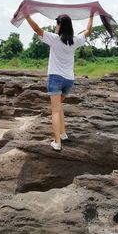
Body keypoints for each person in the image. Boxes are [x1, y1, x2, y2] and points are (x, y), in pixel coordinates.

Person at [24, 12, 94, 151]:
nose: (55, 26)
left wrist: (26, 16)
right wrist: (91, 15)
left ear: (60, 25)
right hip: (69, 80)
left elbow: (37, 29)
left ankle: (57, 143)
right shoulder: (75, 40)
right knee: (59, 107)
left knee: (55, 111)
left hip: (55, 78)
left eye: (56, 23)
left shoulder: (54, 39)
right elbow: (88, 31)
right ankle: (63, 134)